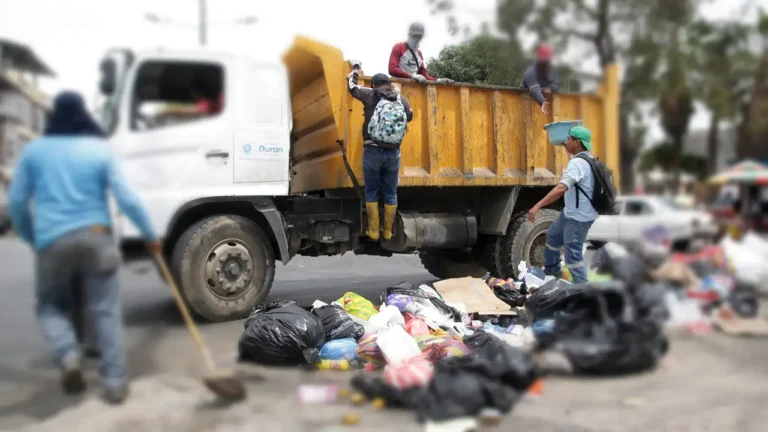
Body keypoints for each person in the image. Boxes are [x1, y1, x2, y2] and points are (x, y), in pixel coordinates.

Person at [7, 91, 159, 404]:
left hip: (52, 241)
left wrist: (31, 236)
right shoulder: (98, 150)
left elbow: (17, 202)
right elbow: (127, 198)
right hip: (97, 236)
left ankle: (68, 357)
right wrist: (149, 234)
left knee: (50, 305)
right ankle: (115, 383)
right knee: (105, 310)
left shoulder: (35, 151)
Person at [347, 64, 414, 241]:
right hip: (393, 153)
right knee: (390, 192)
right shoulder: (400, 99)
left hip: (372, 151)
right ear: (389, 84)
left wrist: (354, 71)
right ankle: (388, 231)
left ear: (374, 85)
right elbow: (410, 116)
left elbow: (352, 88)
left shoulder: (370, 95)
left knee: (371, 191)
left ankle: (374, 230)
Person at [527, 126, 597, 284]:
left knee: (573, 256)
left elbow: (561, 188)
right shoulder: (590, 159)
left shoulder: (578, 163)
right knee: (552, 236)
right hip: (571, 213)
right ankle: (552, 271)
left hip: (578, 217)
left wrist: (537, 206)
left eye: (569, 139)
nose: (565, 141)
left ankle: (584, 292)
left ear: (577, 142)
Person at [388, 22, 454, 84]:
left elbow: (424, 75)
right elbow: (392, 69)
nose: (417, 39)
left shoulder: (419, 54)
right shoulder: (399, 47)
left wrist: (438, 80)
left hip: (415, 87)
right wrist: (411, 75)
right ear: (409, 35)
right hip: (399, 85)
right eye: (415, 36)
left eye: (419, 37)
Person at [522, 44, 559, 115]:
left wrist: (550, 88)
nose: (546, 64)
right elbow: (534, 88)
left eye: (547, 61)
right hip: (528, 107)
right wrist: (542, 101)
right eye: (544, 61)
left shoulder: (551, 70)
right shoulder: (530, 72)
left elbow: (556, 83)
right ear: (539, 60)